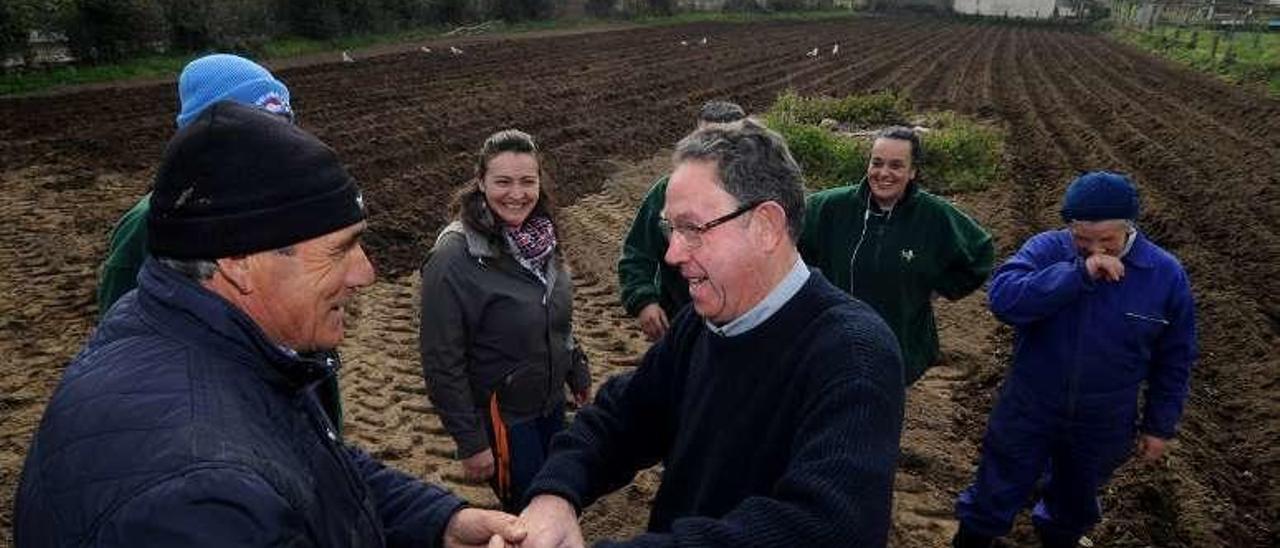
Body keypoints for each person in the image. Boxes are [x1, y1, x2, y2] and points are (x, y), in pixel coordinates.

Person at [15, 102, 525, 548]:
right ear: (239, 260)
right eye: (341, 248)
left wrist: (439, 522)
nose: (366, 272)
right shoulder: (201, 500)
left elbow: (307, 467)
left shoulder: (193, 333)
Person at [516, 120, 905, 547]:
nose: (672, 252)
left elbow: (825, 527)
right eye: (671, 228)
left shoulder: (853, 354)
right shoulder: (701, 326)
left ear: (766, 227)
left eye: (693, 229)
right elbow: (621, 418)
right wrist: (555, 493)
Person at [952, 171, 1197, 548]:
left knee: (1073, 505)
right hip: (1030, 404)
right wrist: (1076, 273)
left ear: (1129, 228)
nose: (1096, 249)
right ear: (1070, 228)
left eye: (1107, 242)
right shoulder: (1047, 249)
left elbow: (1174, 359)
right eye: (1083, 240)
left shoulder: (1163, 274)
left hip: (1103, 417)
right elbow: (1004, 299)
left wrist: (1159, 425)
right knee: (994, 491)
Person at [419, 129, 591, 513]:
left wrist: (575, 366)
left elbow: (554, 310)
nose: (517, 194)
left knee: (558, 498)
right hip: (504, 422)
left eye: (527, 181)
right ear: (480, 182)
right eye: (503, 182)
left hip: (549, 405)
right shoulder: (454, 258)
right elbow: (441, 360)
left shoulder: (542, 235)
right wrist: (471, 441)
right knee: (529, 514)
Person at [97, 52, 294, 315]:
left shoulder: (286, 200)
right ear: (205, 134)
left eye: (283, 128)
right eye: (255, 131)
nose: (276, 145)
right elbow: (118, 318)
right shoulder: (149, 222)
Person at [800, 126, 995, 385]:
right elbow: (792, 250)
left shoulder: (934, 216)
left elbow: (981, 252)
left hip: (899, 348)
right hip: (835, 343)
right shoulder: (828, 207)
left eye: (896, 165)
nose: (883, 173)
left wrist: (940, 287)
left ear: (912, 171)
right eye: (877, 163)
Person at [618, 100, 746, 341]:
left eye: (728, 142)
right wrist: (644, 301)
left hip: (746, 325)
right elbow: (636, 253)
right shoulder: (667, 193)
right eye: (707, 140)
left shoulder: (762, 193)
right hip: (683, 324)